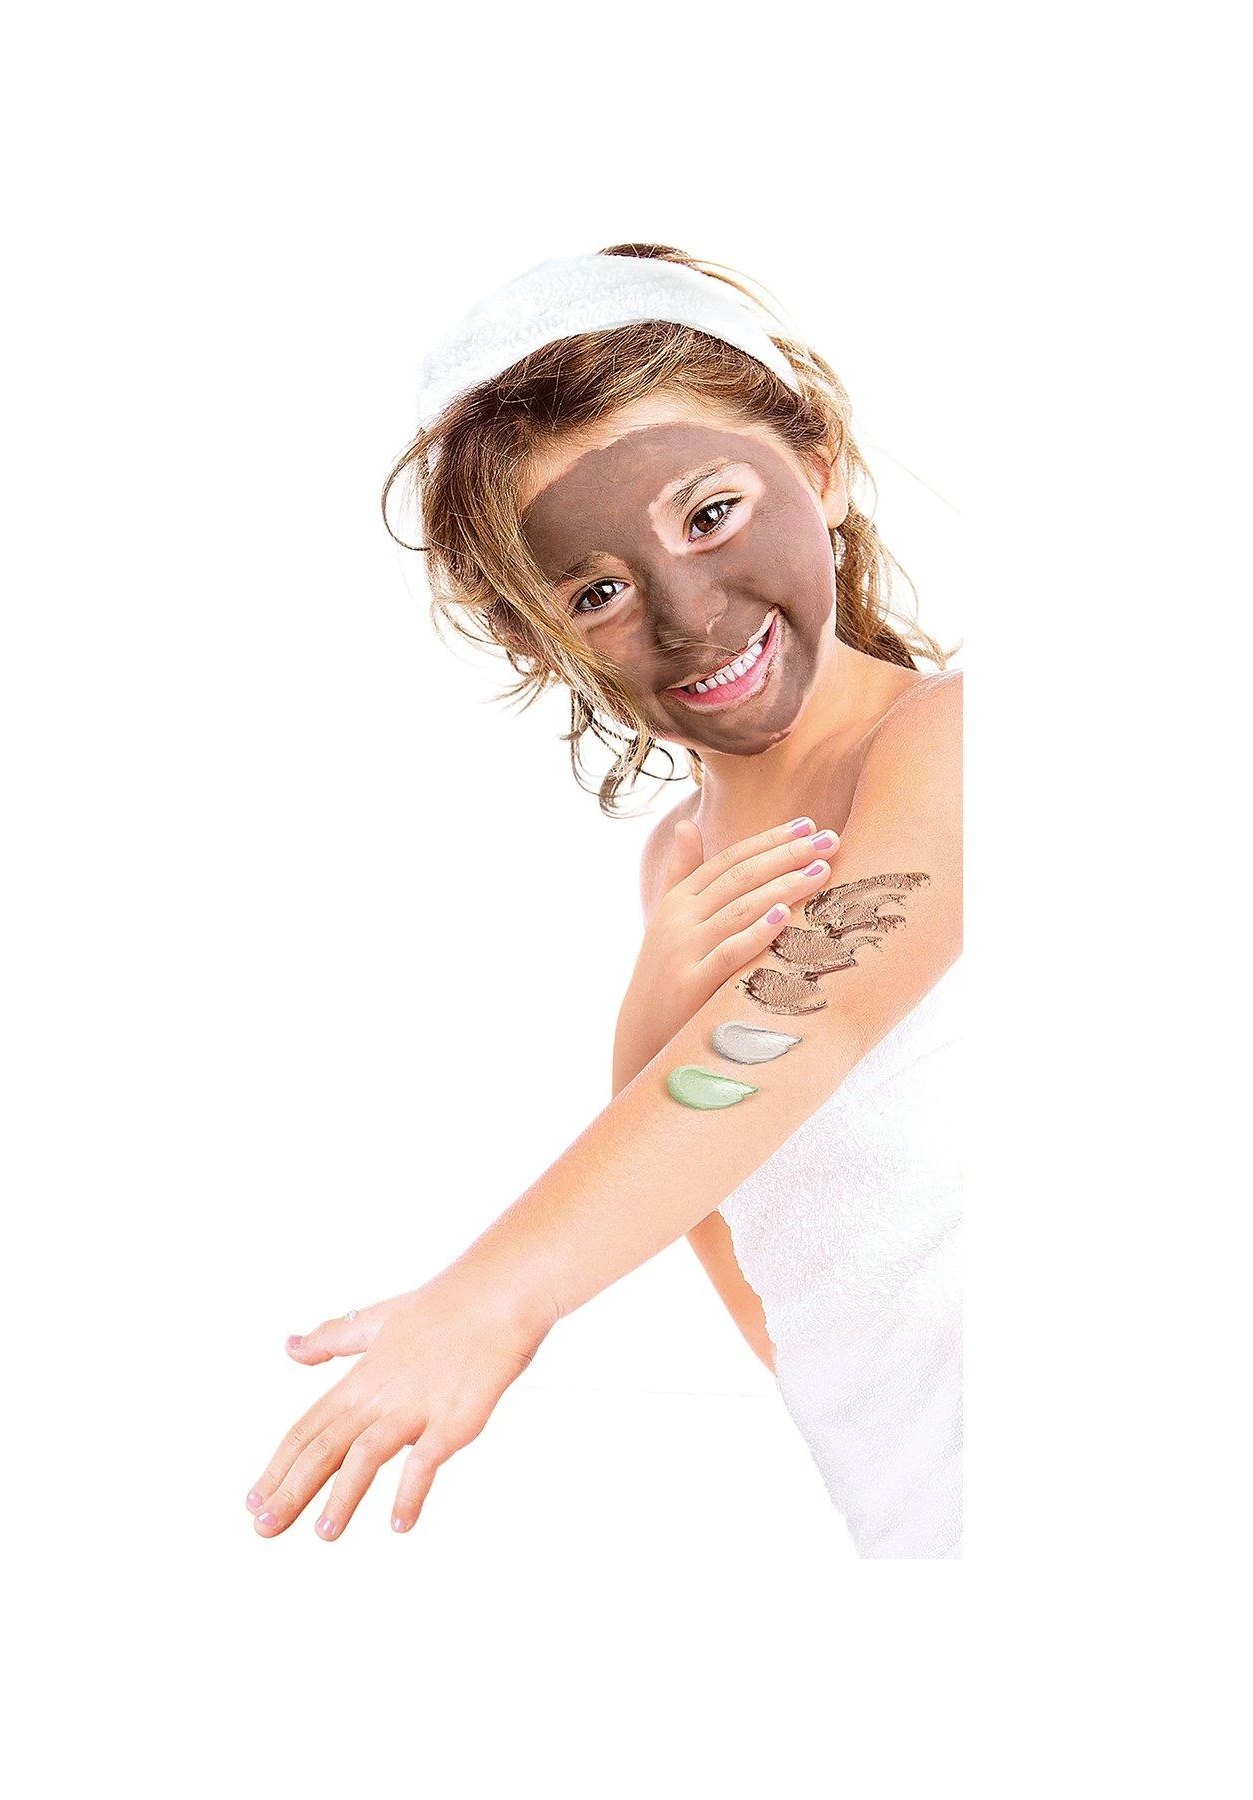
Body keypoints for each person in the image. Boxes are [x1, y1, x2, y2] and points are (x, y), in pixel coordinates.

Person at [243, 243, 963, 1558]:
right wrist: (645, 1030)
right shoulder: (679, 872)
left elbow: (809, 1026)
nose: (691, 616)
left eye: (711, 513)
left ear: (818, 466)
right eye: (598, 591)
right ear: (536, 637)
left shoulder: (958, 742)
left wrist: (490, 1298)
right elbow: (774, 1288)